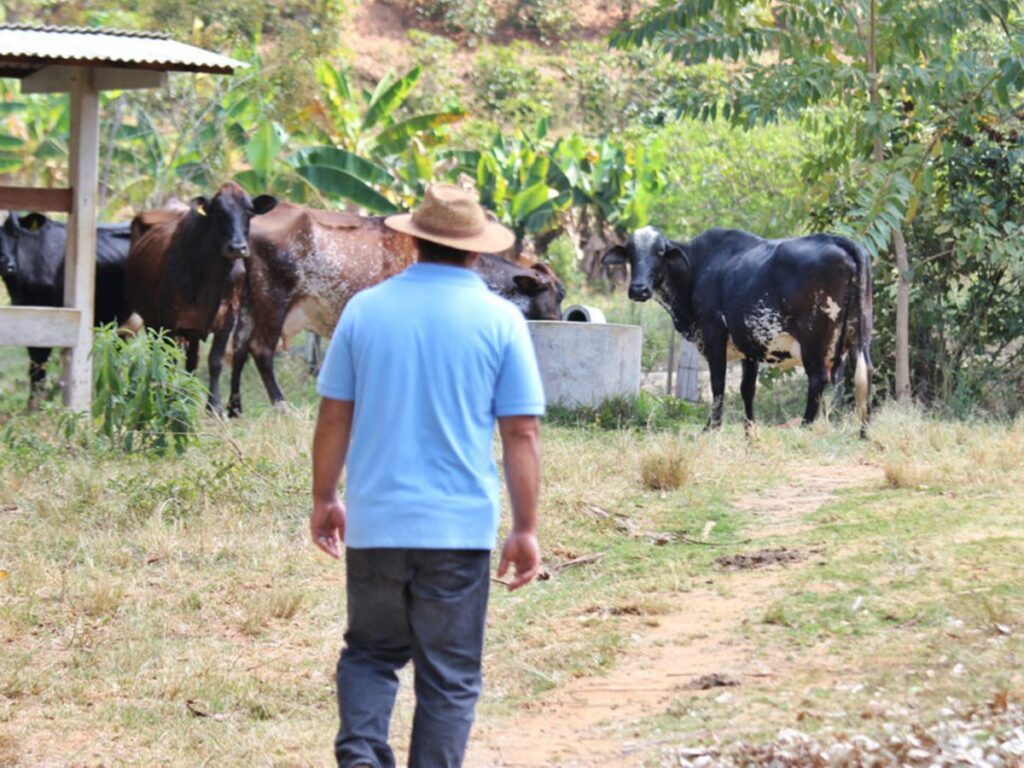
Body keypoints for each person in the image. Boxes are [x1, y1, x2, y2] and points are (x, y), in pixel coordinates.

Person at [310, 183, 545, 768]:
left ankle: (361, 758)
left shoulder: (365, 309)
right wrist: (526, 529)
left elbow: (335, 414)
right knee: (449, 678)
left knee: (369, 654)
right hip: (457, 531)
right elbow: (521, 435)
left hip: (375, 523)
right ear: (476, 251)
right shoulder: (500, 321)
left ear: (412, 241)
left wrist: (324, 497)